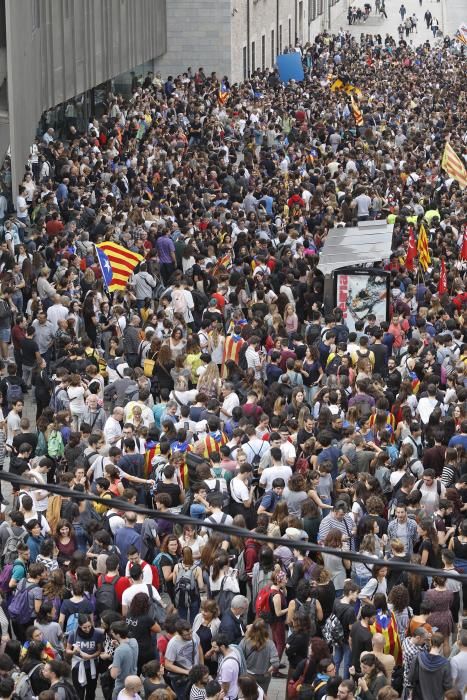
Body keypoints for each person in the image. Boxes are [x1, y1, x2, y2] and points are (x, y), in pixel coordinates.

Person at [65, 613, 103, 700]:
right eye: (84, 627)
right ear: (79, 626)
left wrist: (90, 656)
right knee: (78, 691)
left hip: (92, 665)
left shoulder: (97, 634)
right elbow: (67, 650)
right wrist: (73, 651)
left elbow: (99, 651)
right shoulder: (73, 634)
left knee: (91, 690)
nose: (88, 629)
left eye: (89, 626)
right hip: (77, 666)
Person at [407, 632, 452, 700]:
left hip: (419, 696)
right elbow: (448, 686)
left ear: (430, 642)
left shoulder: (418, 658)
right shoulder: (445, 663)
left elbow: (410, 678)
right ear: (442, 645)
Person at [109, 621, 139, 700]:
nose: (111, 634)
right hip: (133, 683)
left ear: (118, 635)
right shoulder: (134, 642)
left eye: (112, 632)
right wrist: (118, 646)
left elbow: (114, 675)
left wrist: (111, 667)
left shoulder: (120, 650)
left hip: (122, 686)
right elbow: (128, 653)